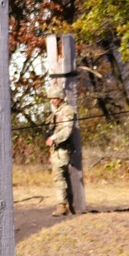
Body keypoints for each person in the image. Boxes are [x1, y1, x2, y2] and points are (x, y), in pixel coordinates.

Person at [46, 82, 78, 217]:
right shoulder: (57, 111)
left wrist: (54, 138)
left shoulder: (68, 111)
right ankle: (66, 205)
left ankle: (62, 205)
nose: (52, 101)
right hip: (57, 149)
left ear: (60, 98)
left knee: (59, 176)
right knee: (58, 176)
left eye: (54, 98)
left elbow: (67, 130)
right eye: (51, 98)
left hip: (63, 148)